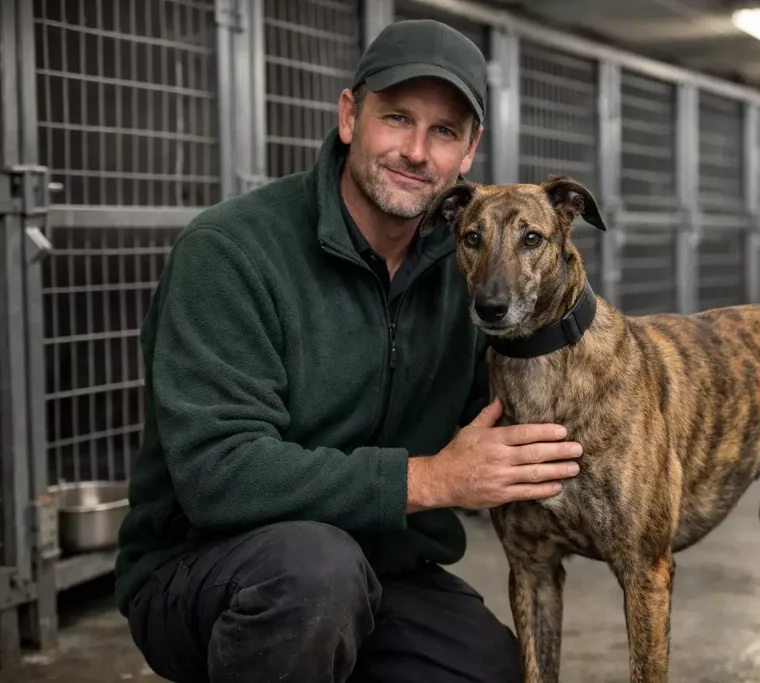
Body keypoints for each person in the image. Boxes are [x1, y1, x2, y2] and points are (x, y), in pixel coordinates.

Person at [114, 19, 583, 683]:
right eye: (396, 117)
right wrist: (426, 478)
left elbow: (516, 407)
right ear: (348, 116)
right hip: (212, 571)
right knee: (312, 575)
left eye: (444, 131)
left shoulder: (472, 265)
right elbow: (217, 472)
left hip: (384, 570)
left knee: (490, 669)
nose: (416, 151)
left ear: (469, 151)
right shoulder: (230, 251)